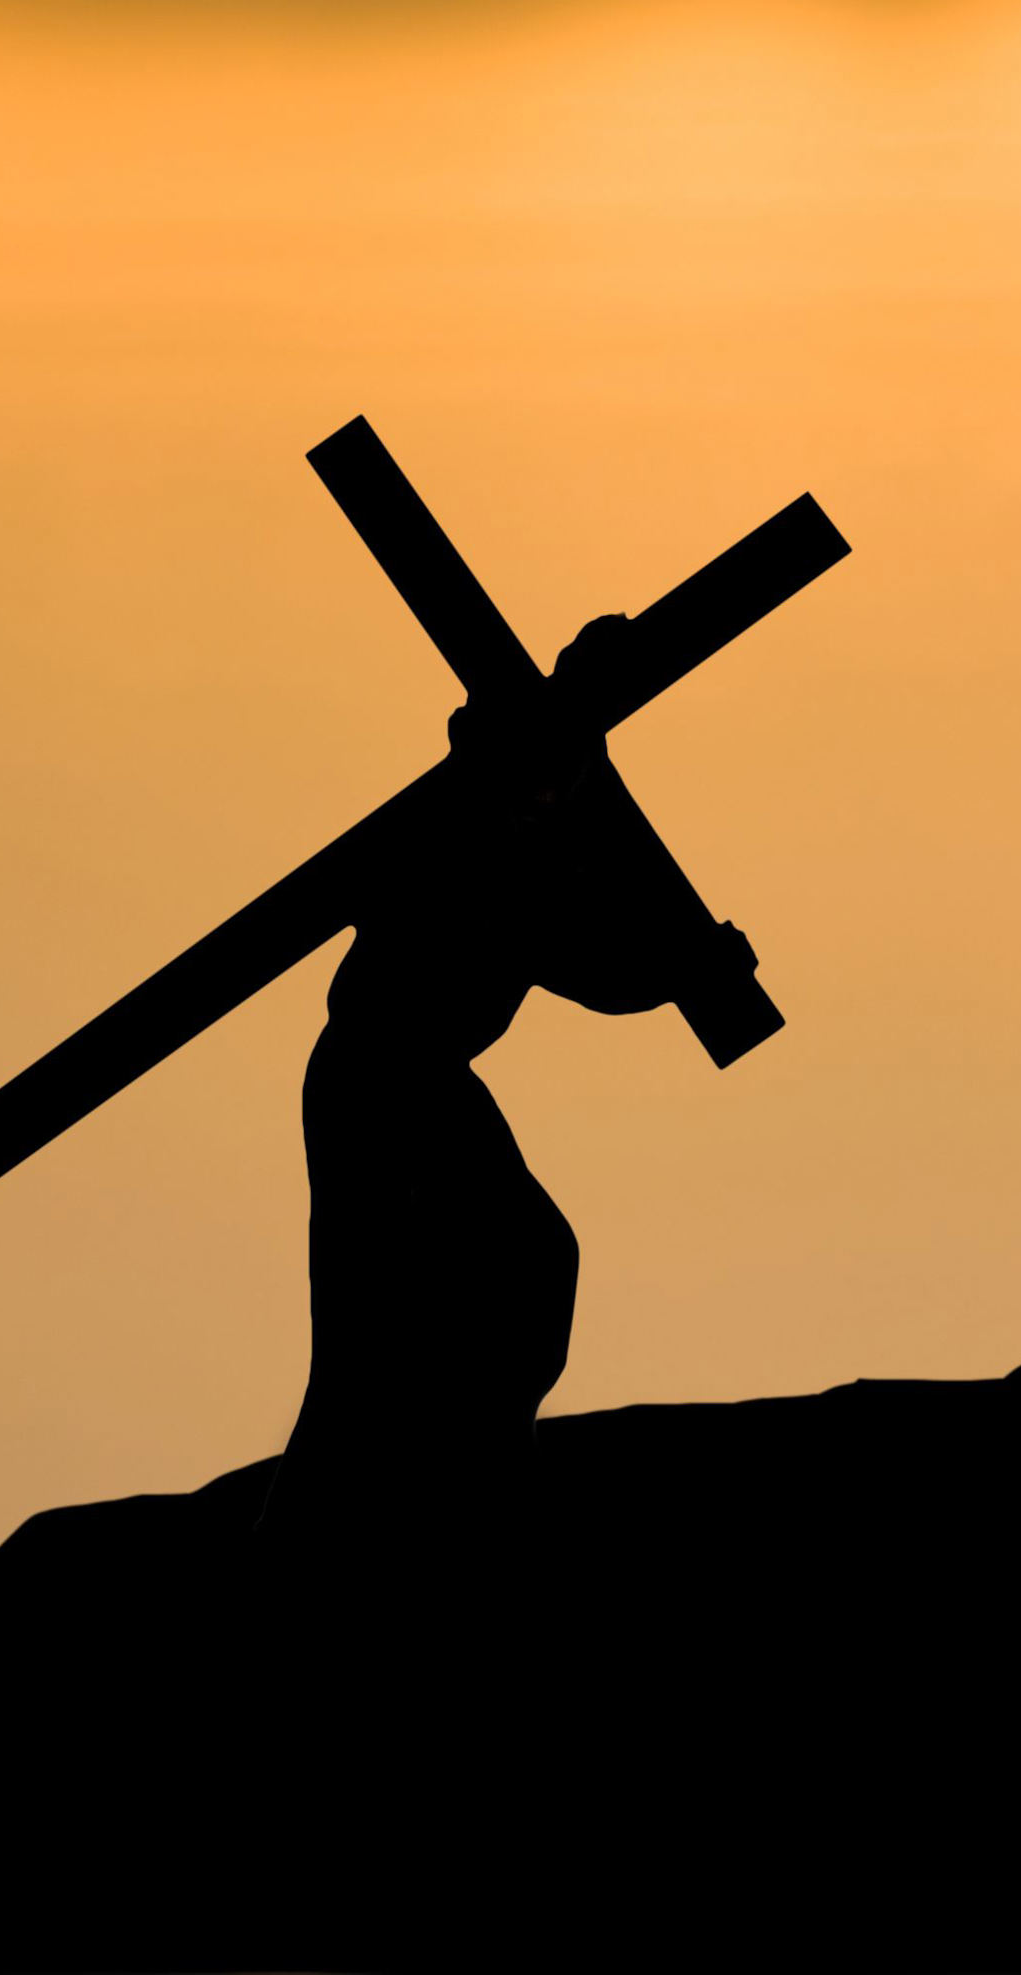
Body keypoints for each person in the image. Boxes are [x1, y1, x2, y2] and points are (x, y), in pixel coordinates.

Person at [261, 615, 749, 1546]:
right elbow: (582, 959)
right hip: (376, 1078)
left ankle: (480, 1464)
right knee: (365, 1333)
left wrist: (684, 968)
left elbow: (587, 957)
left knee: (528, 1261)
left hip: (430, 1080)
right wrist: (682, 971)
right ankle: (316, 1537)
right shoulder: (471, 830)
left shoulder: (533, 836)